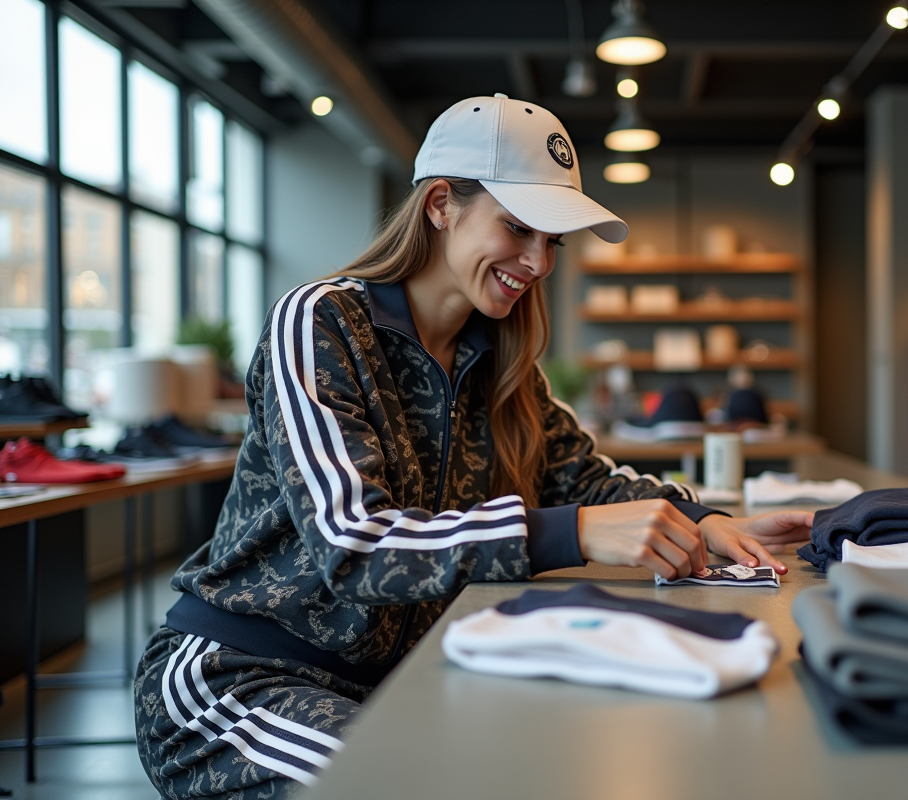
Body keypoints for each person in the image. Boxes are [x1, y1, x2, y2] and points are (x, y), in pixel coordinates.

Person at [133, 94, 813, 798]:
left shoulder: (501, 363)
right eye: (519, 227)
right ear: (439, 205)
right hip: (240, 678)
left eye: (553, 241)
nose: (540, 262)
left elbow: (586, 479)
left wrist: (708, 523)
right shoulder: (323, 322)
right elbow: (353, 543)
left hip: (395, 681)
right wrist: (572, 533)